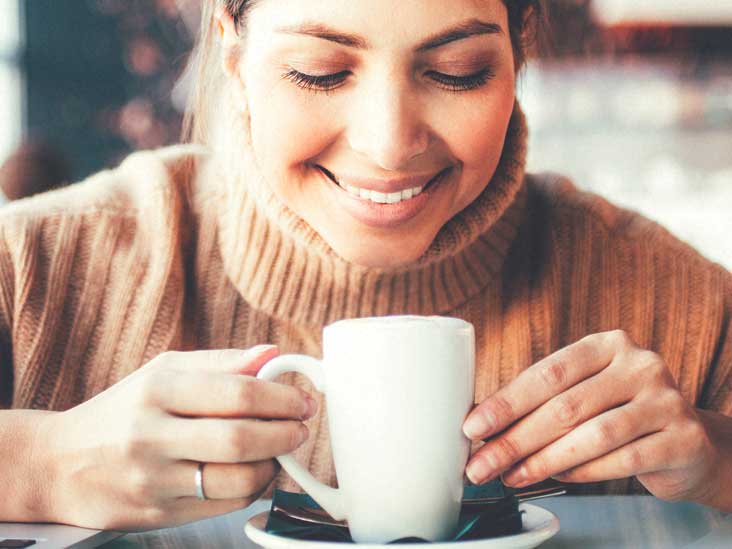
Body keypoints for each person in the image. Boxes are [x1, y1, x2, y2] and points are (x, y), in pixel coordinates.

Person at [0, 0, 730, 532]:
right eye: (319, 72)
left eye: (457, 70)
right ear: (233, 48)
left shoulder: (669, 295)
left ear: (521, 47)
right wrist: (39, 463)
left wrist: (719, 458)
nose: (387, 145)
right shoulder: (39, 267)